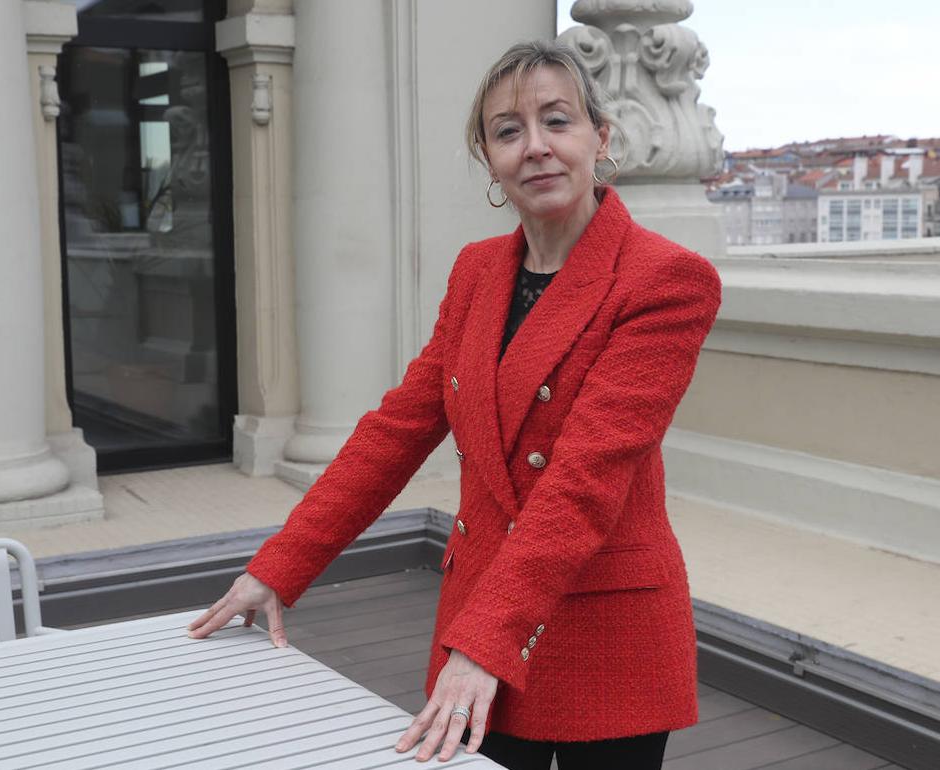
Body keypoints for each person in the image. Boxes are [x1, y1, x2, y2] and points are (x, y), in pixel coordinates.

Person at [188, 40, 722, 770]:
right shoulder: (478, 272)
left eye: (557, 122)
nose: (535, 147)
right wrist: (280, 567)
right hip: (487, 608)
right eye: (508, 131)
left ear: (600, 137)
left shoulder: (666, 280)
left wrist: (484, 646)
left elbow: (583, 481)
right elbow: (395, 433)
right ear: (487, 156)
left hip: (604, 623)